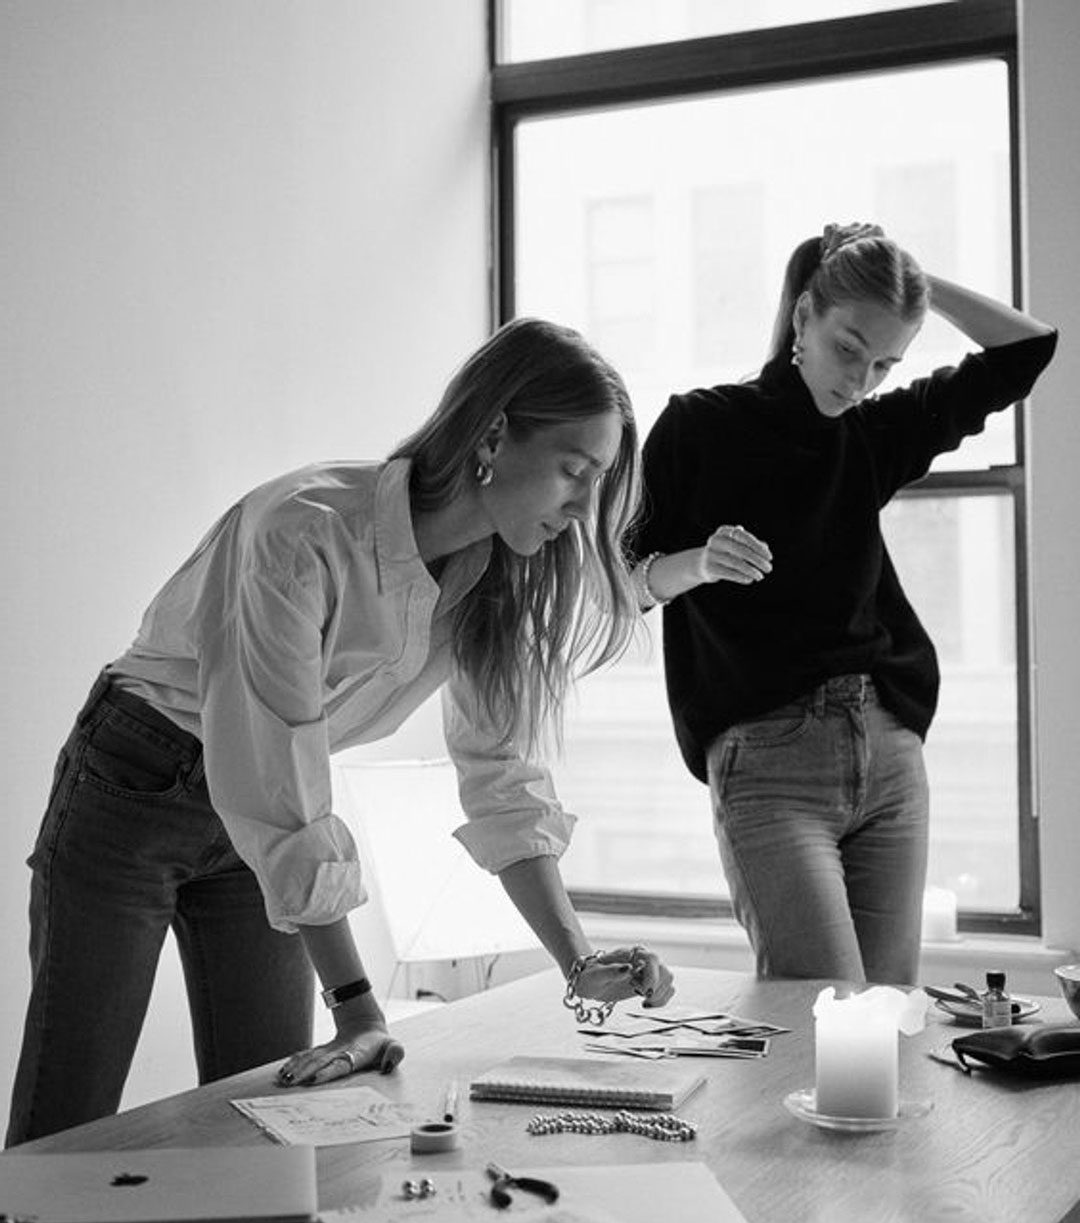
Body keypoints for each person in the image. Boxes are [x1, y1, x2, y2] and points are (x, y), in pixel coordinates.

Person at [7, 317, 676, 1147]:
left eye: (598, 483)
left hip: (266, 816)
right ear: (495, 433)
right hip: (137, 784)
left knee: (273, 1123)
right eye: (575, 472)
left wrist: (578, 965)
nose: (582, 510)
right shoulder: (303, 531)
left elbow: (503, 780)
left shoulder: (497, 579)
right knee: (62, 1136)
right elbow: (277, 775)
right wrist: (358, 1007)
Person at [627, 222, 1056, 984]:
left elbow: (1028, 350)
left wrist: (916, 277)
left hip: (888, 751)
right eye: (849, 348)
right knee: (816, 1024)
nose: (861, 381)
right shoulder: (699, 425)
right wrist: (697, 563)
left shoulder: (873, 434)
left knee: (886, 1029)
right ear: (802, 319)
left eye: (887, 362)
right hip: (768, 764)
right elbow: (620, 585)